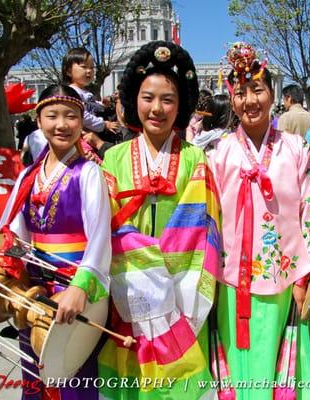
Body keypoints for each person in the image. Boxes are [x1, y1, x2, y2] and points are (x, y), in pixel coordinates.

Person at [97, 40, 220, 400]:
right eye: (148, 97)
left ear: (180, 106)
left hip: (181, 295)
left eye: (168, 99)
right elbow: (105, 228)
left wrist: (164, 279)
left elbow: (203, 231)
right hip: (127, 294)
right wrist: (137, 272)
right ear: (134, 100)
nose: (157, 108)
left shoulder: (195, 159)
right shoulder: (114, 158)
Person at [207, 42, 310, 399]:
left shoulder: (297, 149)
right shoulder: (218, 153)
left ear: (273, 94)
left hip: (286, 280)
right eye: (240, 93)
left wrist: (305, 277)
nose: (249, 101)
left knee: (283, 366)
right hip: (230, 283)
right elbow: (209, 218)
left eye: (257, 90)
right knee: (240, 369)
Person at [0, 84, 111, 399]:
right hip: (33, 289)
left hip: (74, 289)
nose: (62, 124)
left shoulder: (88, 173)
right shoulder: (28, 176)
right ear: (38, 120)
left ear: (82, 122)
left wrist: (80, 286)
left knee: (74, 374)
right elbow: (12, 231)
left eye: (71, 116)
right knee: (35, 375)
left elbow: (100, 236)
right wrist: (9, 273)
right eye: (52, 115)